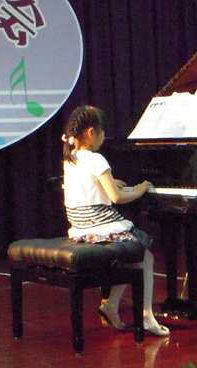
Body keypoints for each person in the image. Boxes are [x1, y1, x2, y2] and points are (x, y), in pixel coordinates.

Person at [62, 105, 170, 337]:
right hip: (101, 225)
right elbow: (117, 198)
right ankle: (147, 317)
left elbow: (92, 186)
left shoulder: (71, 158)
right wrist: (139, 189)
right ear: (91, 133)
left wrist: (110, 182)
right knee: (146, 257)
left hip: (81, 227)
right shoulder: (96, 158)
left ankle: (111, 305)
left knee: (132, 257)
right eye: (102, 132)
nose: (104, 137)